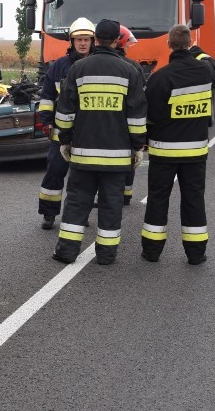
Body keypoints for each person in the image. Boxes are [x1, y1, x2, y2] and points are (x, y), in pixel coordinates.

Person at [52, 19, 147, 265]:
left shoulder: (78, 69)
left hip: (82, 154)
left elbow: (65, 112)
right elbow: (136, 115)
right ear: (117, 40)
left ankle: (66, 252)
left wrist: (64, 140)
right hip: (116, 157)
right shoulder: (130, 70)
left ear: (95, 39)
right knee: (111, 205)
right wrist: (138, 147)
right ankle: (106, 255)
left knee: (76, 202)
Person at [141, 25, 215, 265]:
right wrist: (198, 50)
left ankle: (152, 251)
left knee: (158, 200)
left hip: (164, 150)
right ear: (190, 42)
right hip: (195, 150)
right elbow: (212, 63)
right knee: (194, 200)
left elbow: (150, 116)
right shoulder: (205, 73)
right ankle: (196, 254)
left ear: (168, 45)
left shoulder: (161, 77)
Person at [37, 17, 96, 229]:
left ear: (92, 41)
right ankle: (49, 214)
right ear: (71, 41)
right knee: (54, 172)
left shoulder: (96, 66)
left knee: (84, 178)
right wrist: (45, 122)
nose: (82, 43)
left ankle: (81, 215)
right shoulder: (59, 66)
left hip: (88, 132)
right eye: (78, 39)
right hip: (60, 132)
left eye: (86, 39)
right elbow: (47, 96)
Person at [116, 24, 146, 205]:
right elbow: (142, 98)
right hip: (127, 123)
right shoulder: (133, 67)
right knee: (129, 158)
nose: (128, 47)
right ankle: (126, 193)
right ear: (120, 43)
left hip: (106, 122)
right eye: (127, 43)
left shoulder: (92, 63)